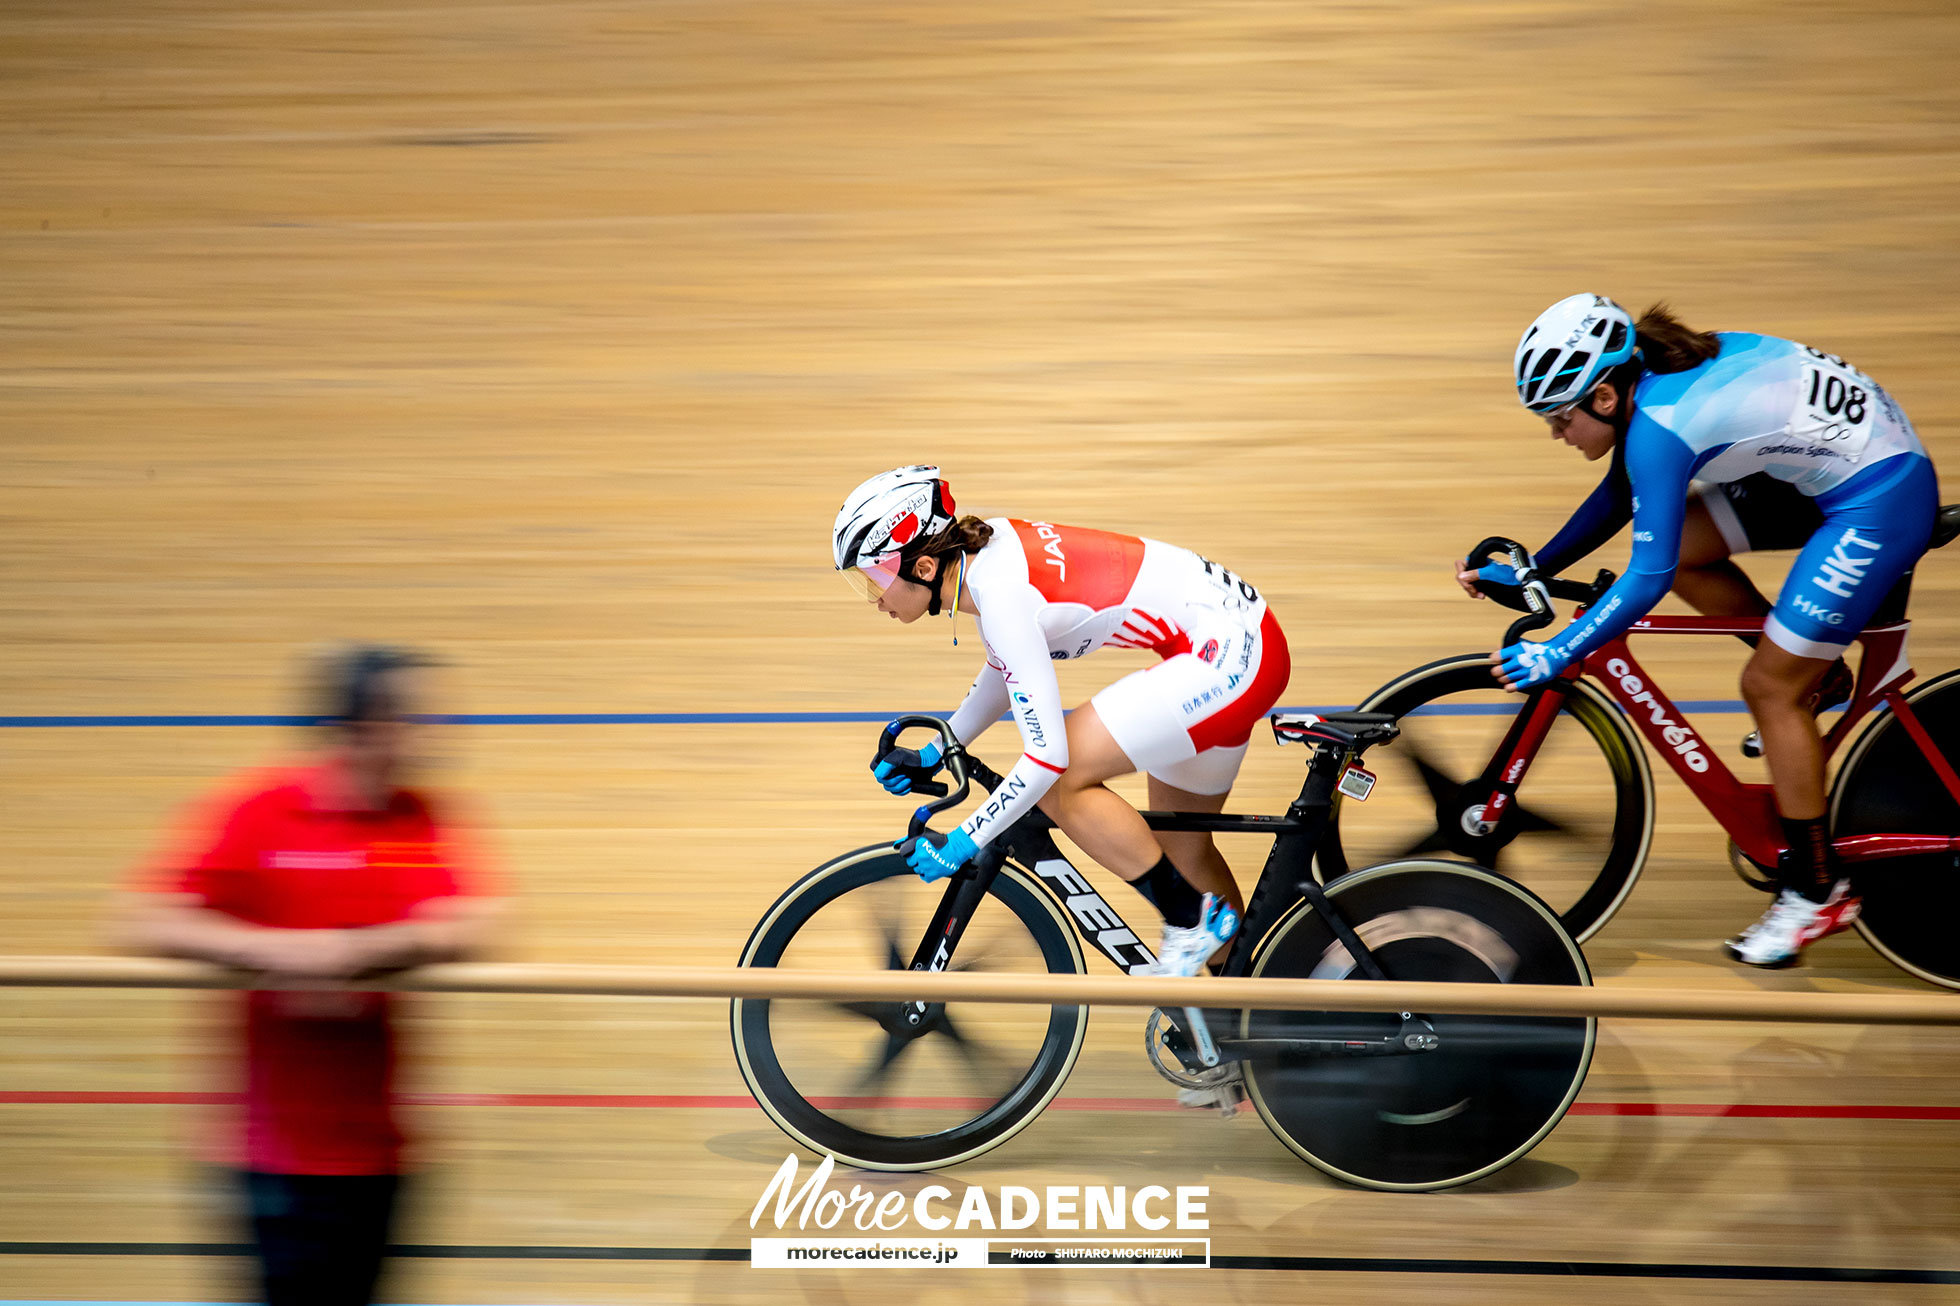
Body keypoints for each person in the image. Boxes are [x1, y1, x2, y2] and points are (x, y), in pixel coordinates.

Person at [1458, 294, 1940, 968]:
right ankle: (1821, 675)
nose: (1557, 435)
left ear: (1602, 397)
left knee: (1769, 688)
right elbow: (1622, 494)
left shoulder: (1660, 427)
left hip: (1879, 496)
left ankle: (1816, 890)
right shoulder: (1650, 384)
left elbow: (1644, 578)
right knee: (1687, 544)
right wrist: (1535, 567)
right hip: (1840, 465)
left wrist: (1559, 651)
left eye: (1560, 419)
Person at [117, 645, 502, 1306]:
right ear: (363, 725)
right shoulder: (262, 809)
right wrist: (277, 951)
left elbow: (479, 924)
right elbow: (142, 919)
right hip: (274, 1156)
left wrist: (358, 949)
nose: (437, 727)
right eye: (419, 713)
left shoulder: (422, 818)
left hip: (382, 1153)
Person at [831, 466, 1291, 987]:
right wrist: (943, 746)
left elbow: (1046, 759)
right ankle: (1252, 1012)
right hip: (1240, 642)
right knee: (1183, 850)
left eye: (875, 582)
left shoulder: (999, 594)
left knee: (1061, 782)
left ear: (925, 566)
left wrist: (963, 840)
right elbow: (1008, 664)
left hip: (1226, 658)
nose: (875, 601)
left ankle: (1191, 920)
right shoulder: (987, 556)